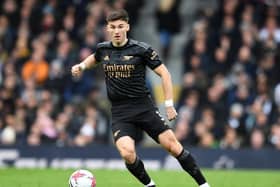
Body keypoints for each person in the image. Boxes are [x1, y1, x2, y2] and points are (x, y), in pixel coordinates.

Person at [71, 9, 210, 187]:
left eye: (120, 26)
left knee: (173, 147)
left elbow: (165, 74)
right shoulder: (103, 49)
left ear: (127, 27)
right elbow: (95, 58)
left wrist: (168, 104)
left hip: (144, 107)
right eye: (113, 27)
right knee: (127, 153)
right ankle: (150, 185)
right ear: (108, 28)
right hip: (120, 111)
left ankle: (204, 185)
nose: (117, 30)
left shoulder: (141, 50)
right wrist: (81, 66)